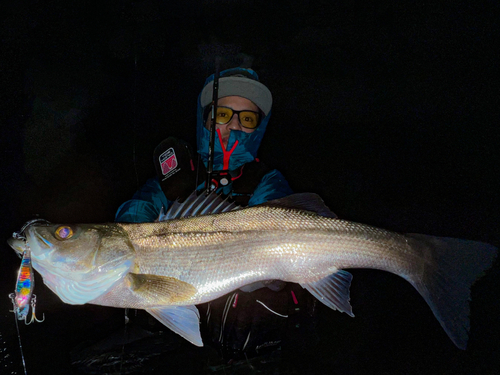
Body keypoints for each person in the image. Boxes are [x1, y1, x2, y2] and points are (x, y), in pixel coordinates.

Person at [115, 67, 318, 362]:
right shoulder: (178, 174)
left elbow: (275, 221)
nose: (233, 125)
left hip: (248, 345)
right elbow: (138, 209)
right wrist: (129, 239)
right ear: (206, 120)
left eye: (247, 119)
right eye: (222, 114)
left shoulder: (267, 181)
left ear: (257, 129)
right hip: (176, 338)